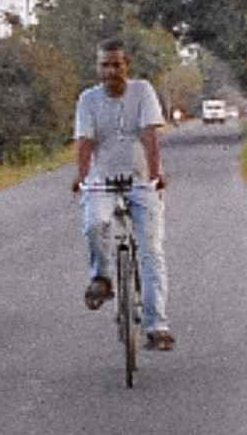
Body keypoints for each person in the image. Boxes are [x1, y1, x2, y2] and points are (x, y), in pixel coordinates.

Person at [71, 38, 175, 351]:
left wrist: (156, 173)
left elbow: (148, 135)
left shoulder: (142, 91)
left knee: (150, 252)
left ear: (126, 66)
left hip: (140, 180)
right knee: (95, 223)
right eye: (105, 64)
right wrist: (82, 175)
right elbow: (86, 141)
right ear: (97, 68)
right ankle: (101, 277)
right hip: (102, 179)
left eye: (117, 64)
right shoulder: (88, 100)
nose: (111, 70)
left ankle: (157, 325)